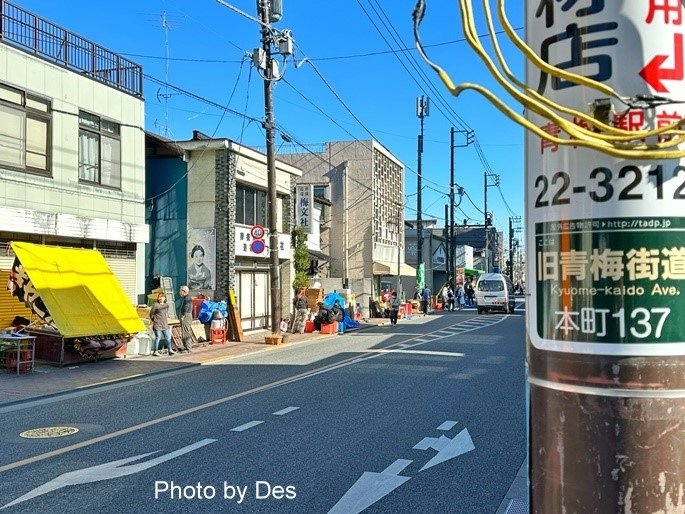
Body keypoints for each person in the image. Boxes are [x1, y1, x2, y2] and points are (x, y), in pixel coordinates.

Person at [178, 285, 193, 352]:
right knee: (185, 331)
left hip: (186, 316)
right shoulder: (186, 298)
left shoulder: (187, 298)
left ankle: (188, 348)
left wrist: (183, 315)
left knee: (185, 332)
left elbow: (186, 308)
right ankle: (186, 346)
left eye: (180, 291)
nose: (179, 292)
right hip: (187, 315)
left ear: (184, 291)